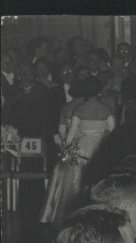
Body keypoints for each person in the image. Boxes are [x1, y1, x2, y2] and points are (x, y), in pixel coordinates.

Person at [40, 75, 116, 226]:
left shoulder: (79, 109)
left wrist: (65, 152)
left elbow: (69, 137)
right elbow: (113, 131)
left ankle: (75, 216)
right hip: (101, 149)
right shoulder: (106, 109)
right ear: (98, 91)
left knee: (75, 184)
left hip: (81, 149)